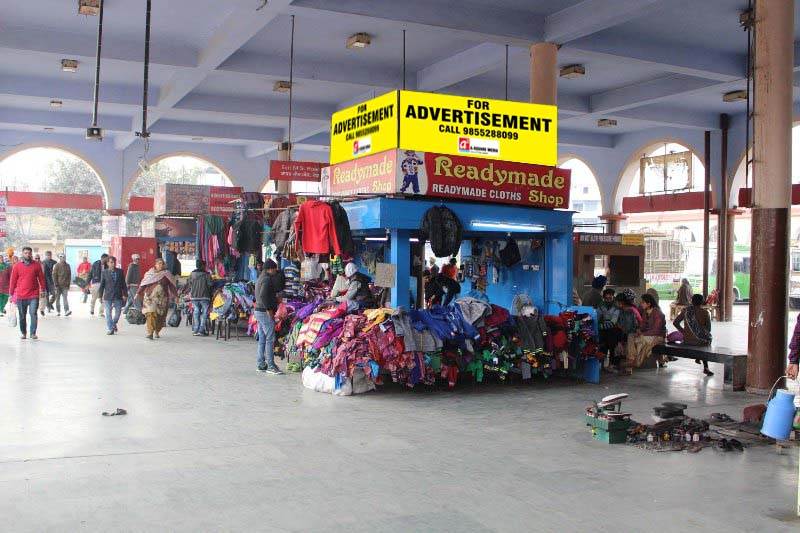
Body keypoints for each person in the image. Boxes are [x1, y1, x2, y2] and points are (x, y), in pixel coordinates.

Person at [9, 246, 46, 340]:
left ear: (31, 254)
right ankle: (23, 333)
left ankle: (33, 333)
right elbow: (13, 281)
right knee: (22, 316)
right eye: (26, 253)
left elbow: (41, 278)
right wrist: (11, 294)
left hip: (34, 294)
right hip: (21, 295)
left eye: (29, 253)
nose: (28, 255)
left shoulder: (36, 265)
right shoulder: (17, 266)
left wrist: (43, 289)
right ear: (22, 254)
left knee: (33, 313)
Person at [254, 259, 284, 374]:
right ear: (270, 269)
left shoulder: (260, 278)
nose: (276, 271)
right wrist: (269, 310)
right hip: (264, 312)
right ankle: (271, 365)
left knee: (262, 338)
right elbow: (263, 295)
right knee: (270, 339)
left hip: (259, 311)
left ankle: (261, 363)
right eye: (275, 269)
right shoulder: (266, 280)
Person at [673, 293, 714, 376]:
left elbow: (675, 322)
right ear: (702, 302)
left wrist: (684, 332)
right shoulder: (705, 313)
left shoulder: (686, 311)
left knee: (701, 341)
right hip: (700, 342)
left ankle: (698, 358)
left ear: (691, 301)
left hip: (687, 340)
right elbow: (708, 330)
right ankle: (706, 367)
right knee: (707, 340)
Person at [625, 292, 666, 373]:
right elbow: (643, 325)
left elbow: (656, 330)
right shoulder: (645, 312)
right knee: (631, 336)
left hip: (658, 336)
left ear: (649, 303)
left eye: (643, 302)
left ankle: (635, 363)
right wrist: (639, 330)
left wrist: (643, 334)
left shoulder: (658, 313)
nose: (641, 304)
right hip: (648, 335)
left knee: (640, 340)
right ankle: (631, 359)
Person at [137, 258, 177, 340]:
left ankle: (157, 330)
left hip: (162, 299)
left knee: (160, 316)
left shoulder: (167, 274)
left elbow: (172, 286)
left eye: (162, 264)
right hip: (150, 297)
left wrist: (176, 296)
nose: (160, 265)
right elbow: (144, 284)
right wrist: (138, 293)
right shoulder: (150, 274)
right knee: (150, 313)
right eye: (158, 264)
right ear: (155, 264)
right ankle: (150, 332)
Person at [97, 256, 128, 335]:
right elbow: (102, 285)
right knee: (108, 313)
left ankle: (113, 324)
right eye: (111, 262)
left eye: (114, 262)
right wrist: (100, 296)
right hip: (108, 296)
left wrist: (125, 294)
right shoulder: (104, 272)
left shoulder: (120, 272)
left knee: (117, 314)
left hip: (118, 295)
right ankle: (110, 329)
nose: (112, 264)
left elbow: (123, 284)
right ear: (107, 263)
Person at [597, 288, 621, 368]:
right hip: (604, 330)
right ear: (603, 298)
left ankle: (611, 365)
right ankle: (601, 364)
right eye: (606, 298)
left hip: (613, 330)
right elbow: (597, 316)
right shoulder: (601, 305)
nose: (608, 300)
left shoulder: (617, 307)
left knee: (612, 347)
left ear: (613, 297)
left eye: (610, 298)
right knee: (602, 345)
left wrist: (599, 326)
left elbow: (613, 322)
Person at [189, 260, 213, 336]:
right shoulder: (206, 274)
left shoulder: (192, 274)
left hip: (194, 296)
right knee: (204, 313)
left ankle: (196, 330)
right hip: (204, 296)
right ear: (203, 266)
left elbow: (190, 284)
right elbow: (210, 284)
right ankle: (201, 330)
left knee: (196, 312)